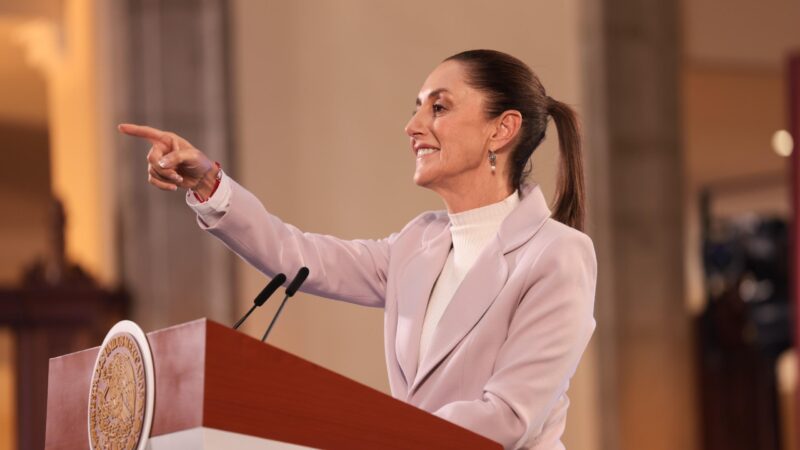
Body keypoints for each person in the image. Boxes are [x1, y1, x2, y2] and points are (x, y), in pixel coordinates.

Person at [119, 49, 597, 450]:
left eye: (439, 107)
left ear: (502, 129)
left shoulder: (556, 255)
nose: (412, 126)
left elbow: (510, 417)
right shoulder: (417, 244)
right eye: (416, 107)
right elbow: (296, 256)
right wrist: (209, 184)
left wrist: (370, 435)